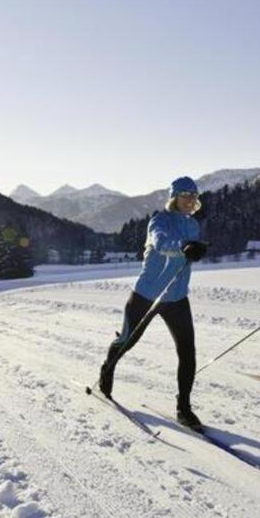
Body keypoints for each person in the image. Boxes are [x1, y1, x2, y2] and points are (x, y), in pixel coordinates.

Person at [98, 176, 209, 430]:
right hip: (146, 295)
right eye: (185, 195)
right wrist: (185, 246)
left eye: (194, 196)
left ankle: (184, 408)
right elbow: (161, 243)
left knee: (187, 351)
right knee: (127, 341)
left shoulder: (193, 225)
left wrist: (195, 250)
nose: (191, 200)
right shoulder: (159, 220)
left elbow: (186, 253)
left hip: (177, 297)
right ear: (174, 197)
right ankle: (108, 366)